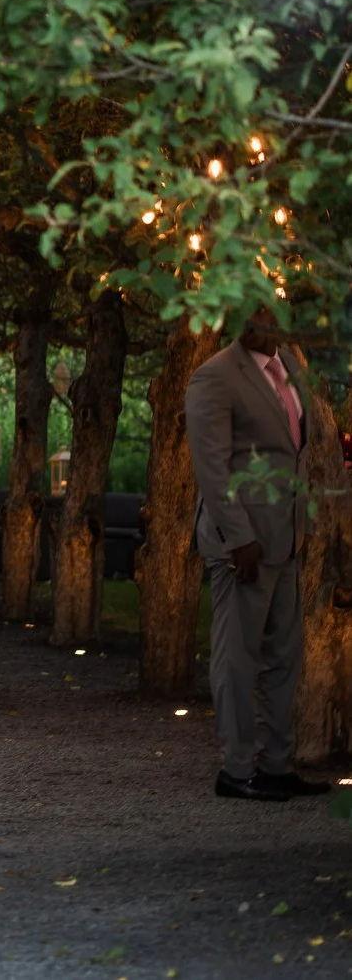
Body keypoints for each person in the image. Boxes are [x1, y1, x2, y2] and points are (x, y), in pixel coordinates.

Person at [186, 308, 326, 802]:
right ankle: (237, 768)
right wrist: (237, 535)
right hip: (242, 543)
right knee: (237, 657)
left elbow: (296, 448)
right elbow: (212, 467)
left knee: (284, 655)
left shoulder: (289, 366)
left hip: (286, 535)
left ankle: (275, 763)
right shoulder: (215, 376)